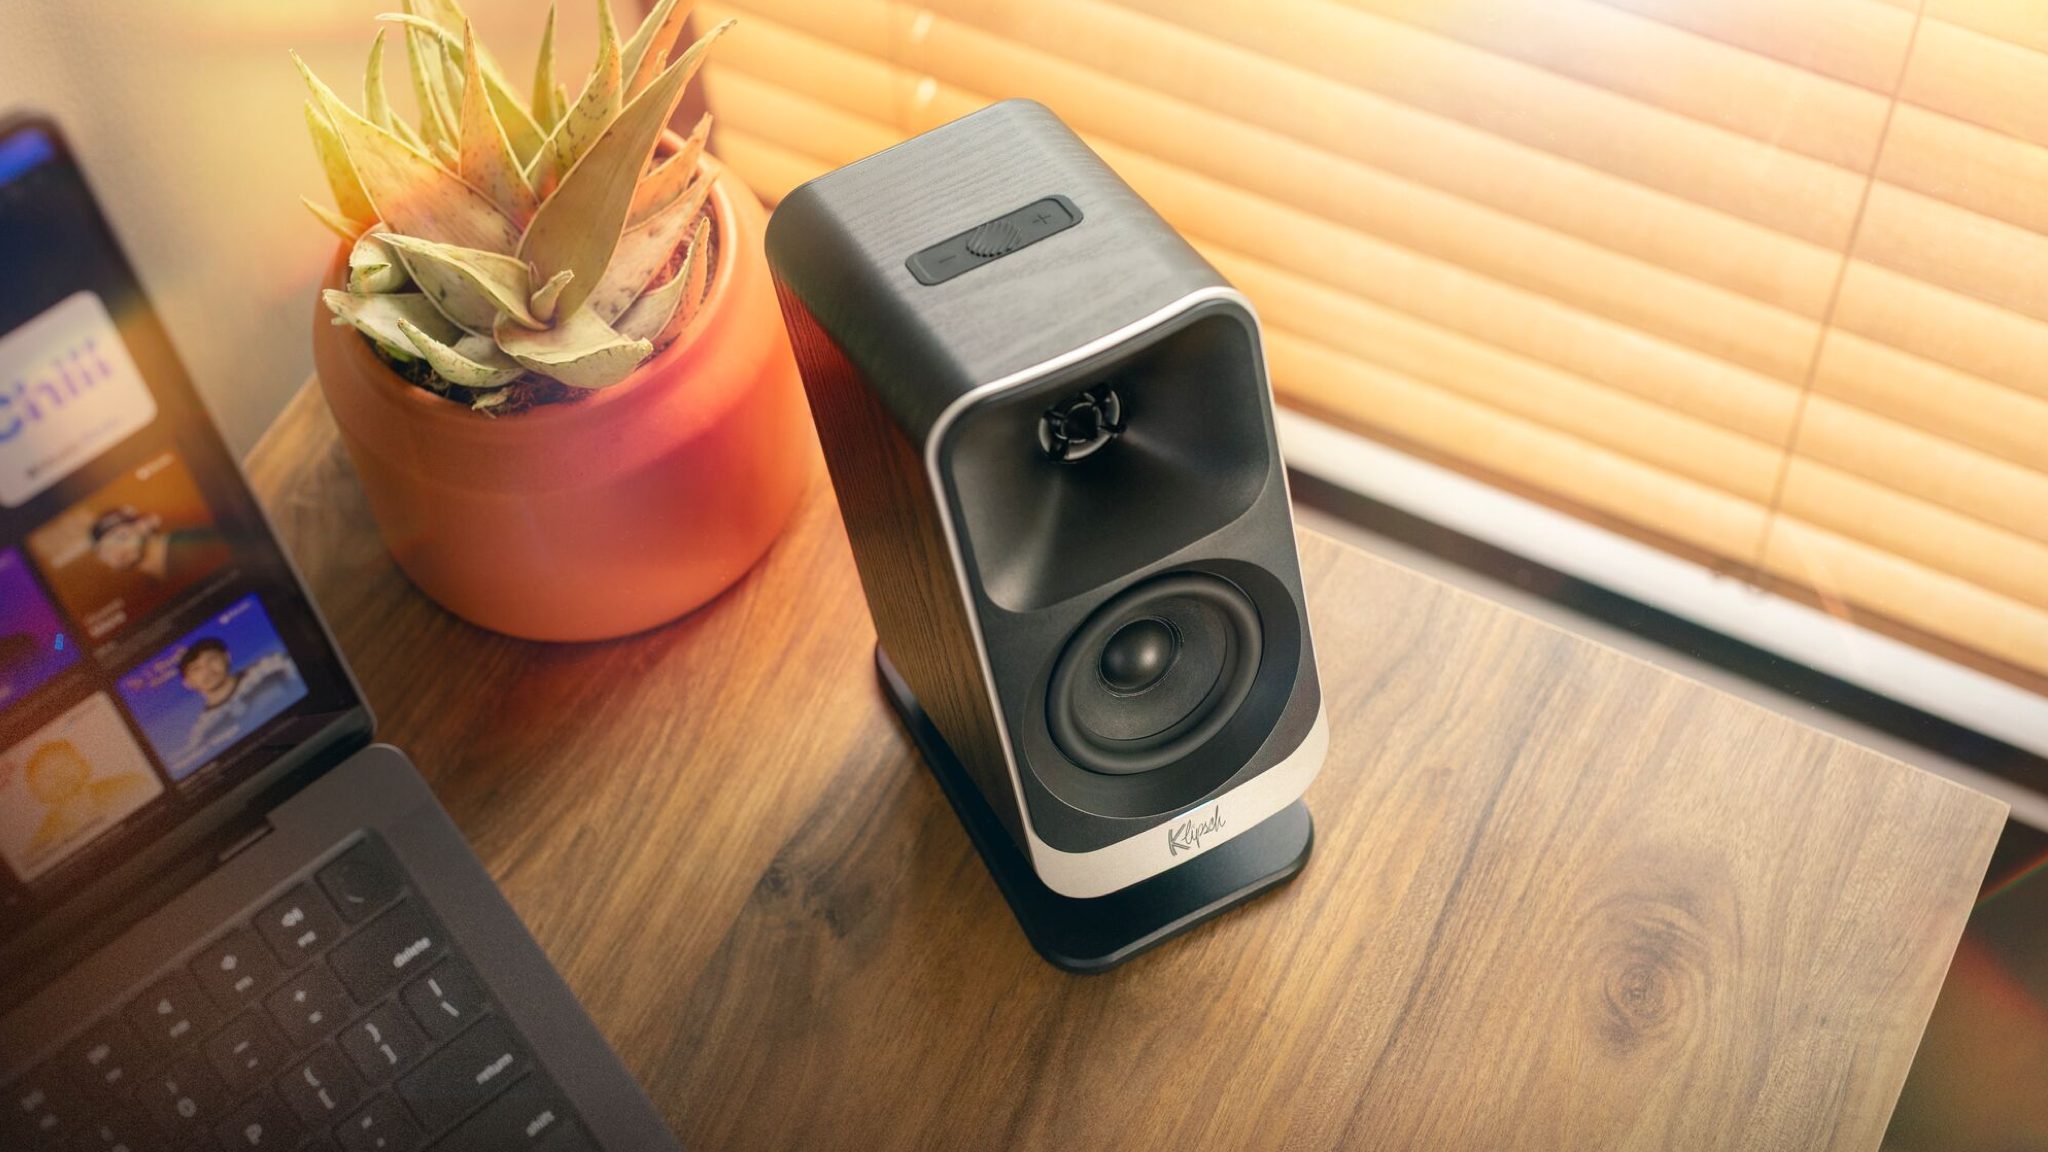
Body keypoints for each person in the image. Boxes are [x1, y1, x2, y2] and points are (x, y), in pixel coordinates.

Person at [24, 739, 152, 859]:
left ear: (84, 764)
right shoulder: (36, 848)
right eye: (48, 775)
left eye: (65, 765)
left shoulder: (133, 785)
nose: (60, 776)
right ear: (37, 792)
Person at [177, 638, 302, 759]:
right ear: (187, 682)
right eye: (196, 669)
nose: (207, 671)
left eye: (212, 659)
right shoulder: (202, 734)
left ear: (226, 657)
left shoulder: (273, 666)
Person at [88, 505, 225, 584]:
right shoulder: (151, 587)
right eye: (104, 550)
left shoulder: (196, 547)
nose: (116, 550)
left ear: (146, 524)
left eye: (120, 536)